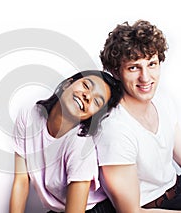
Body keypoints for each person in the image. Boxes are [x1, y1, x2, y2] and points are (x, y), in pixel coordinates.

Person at [95, 19, 181, 213]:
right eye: (134, 67)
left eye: (152, 64)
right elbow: (130, 211)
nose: (146, 77)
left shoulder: (162, 100)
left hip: (176, 190)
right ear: (116, 72)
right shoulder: (114, 129)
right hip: (152, 208)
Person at [9, 70, 123, 213]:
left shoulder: (80, 147)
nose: (87, 96)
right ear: (67, 83)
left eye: (96, 101)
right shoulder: (29, 116)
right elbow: (21, 180)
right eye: (86, 86)